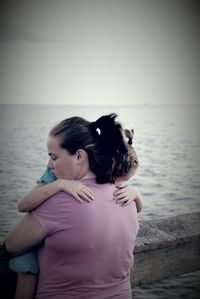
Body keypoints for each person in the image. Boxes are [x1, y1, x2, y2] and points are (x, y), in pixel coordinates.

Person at [4, 113, 140, 299]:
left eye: (54, 157)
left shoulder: (59, 202)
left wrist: (53, 182)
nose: (50, 165)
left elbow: (12, 245)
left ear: (79, 156)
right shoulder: (127, 196)